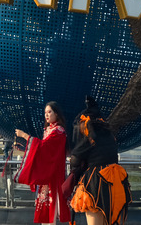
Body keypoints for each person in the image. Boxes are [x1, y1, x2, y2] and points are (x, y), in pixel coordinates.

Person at [70, 96, 131, 225]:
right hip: (116, 179)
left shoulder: (88, 133)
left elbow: (75, 159)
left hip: (95, 181)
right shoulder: (108, 133)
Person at [14, 101, 71, 224]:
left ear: (56, 113)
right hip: (47, 175)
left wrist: (24, 136)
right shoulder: (49, 130)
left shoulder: (59, 131)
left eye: (49, 112)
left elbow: (44, 148)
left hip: (53, 175)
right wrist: (25, 148)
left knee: (51, 212)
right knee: (46, 212)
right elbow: (43, 151)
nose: (47, 115)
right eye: (45, 112)